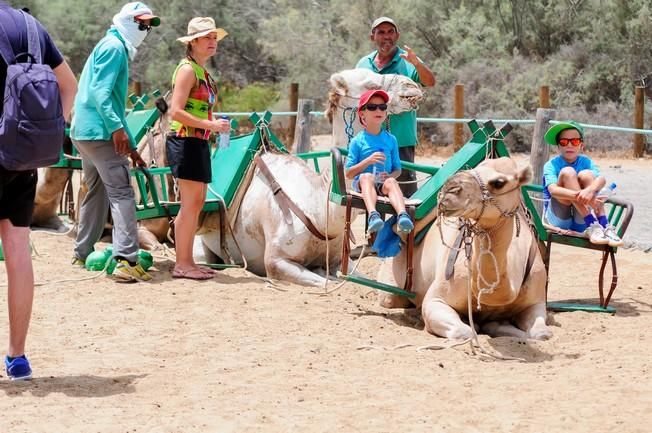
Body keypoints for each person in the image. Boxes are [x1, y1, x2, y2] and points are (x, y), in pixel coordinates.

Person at [0, 2, 77, 380]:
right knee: (17, 251)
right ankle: (18, 358)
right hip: (21, 159)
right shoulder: (30, 26)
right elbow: (70, 86)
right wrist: (45, 134)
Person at [71, 2, 160, 282]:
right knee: (122, 194)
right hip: (100, 132)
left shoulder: (108, 44)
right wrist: (117, 131)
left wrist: (132, 148)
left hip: (84, 133)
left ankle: (82, 252)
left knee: (95, 191)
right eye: (141, 23)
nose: (144, 29)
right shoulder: (114, 48)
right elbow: (101, 94)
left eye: (148, 26)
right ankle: (126, 260)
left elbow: (113, 104)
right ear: (126, 21)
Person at [166, 17, 230, 280]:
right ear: (193, 42)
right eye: (207, 37)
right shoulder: (187, 70)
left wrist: (213, 126)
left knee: (196, 202)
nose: (212, 41)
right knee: (190, 203)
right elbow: (176, 111)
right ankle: (182, 264)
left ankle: (187, 261)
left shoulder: (203, 71)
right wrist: (210, 124)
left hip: (198, 141)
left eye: (214, 37)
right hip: (184, 141)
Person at [356, 16, 435, 197]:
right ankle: (374, 223)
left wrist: (416, 63)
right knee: (372, 192)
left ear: (397, 35)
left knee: (404, 194)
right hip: (371, 141)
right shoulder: (363, 65)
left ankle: (403, 225)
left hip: (401, 140)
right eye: (381, 32)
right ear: (372, 37)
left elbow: (430, 81)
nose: (386, 36)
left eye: (390, 32)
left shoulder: (408, 60)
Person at [542, 121, 623, 247]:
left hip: (581, 222)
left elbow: (601, 179)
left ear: (581, 145)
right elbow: (553, 190)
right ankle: (593, 222)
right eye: (564, 142)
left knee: (587, 175)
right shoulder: (551, 164)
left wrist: (590, 191)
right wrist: (583, 194)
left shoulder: (586, 162)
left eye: (574, 141)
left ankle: (603, 225)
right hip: (559, 218)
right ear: (558, 146)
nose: (569, 145)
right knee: (568, 172)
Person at [344, 89, 414, 235]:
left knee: (392, 183)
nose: (378, 110)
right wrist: (367, 161)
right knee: (366, 177)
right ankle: (373, 216)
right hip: (363, 184)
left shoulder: (391, 139)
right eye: (372, 107)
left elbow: (397, 169)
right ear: (362, 113)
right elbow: (349, 173)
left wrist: (390, 176)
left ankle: (403, 216)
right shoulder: (357, 141)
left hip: (381, 184)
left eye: (382, 107)